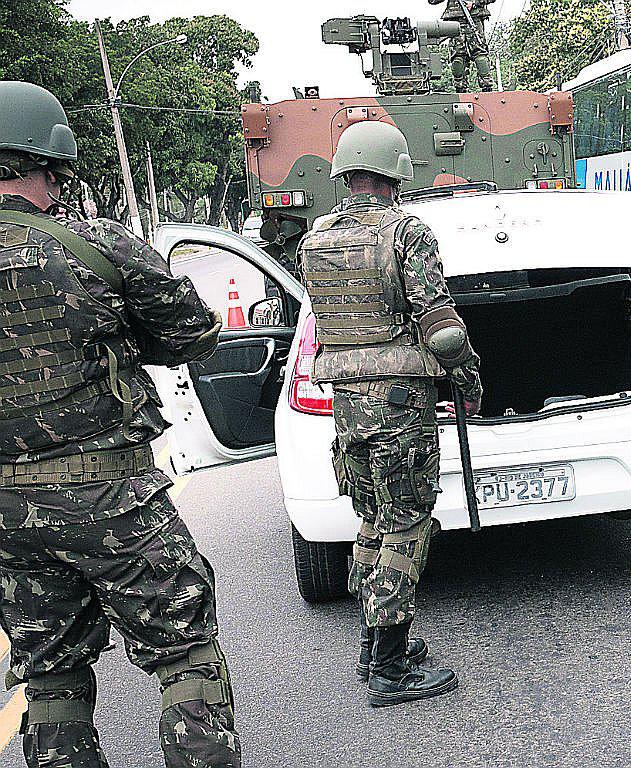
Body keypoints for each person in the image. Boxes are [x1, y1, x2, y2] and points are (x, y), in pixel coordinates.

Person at [0, 81, 240, 767]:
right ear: (50, 164)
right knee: (185, 653)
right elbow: (192, 335)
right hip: (114, 499)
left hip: (10, 515)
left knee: (48, 675)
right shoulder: (95, 243)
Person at [297, 119, 482, 706]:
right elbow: (441, 329)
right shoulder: (407, 234)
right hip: (400, 403)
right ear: (397, 174)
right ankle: (391, 668)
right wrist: (469, 380)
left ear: (346, 175)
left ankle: (373, 644)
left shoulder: (316, 240)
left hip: (346, 407)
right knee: (406, 523)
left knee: (374, 521)